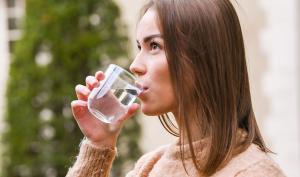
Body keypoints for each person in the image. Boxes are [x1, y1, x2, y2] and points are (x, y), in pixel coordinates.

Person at [66, 0, 285, 176]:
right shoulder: (149, 167)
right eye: (139, 46)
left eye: (154, 46)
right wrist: (99, 145)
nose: (135, 65)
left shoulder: (253, 172)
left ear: (203, 58)